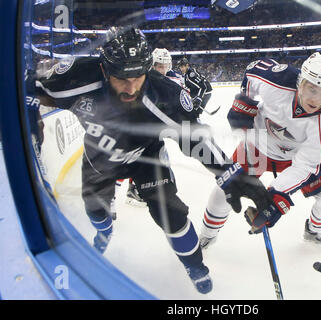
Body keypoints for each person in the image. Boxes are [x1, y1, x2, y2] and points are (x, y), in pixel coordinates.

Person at [34, 27, 273, 294]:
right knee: (96, 210)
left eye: (138, 75)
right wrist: (30, 117)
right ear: (104, 70)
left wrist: (232, 175)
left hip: (146, 158)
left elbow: (195, 140)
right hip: (99, 157)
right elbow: (32, 87)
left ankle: (195, 266)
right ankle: (104, 230)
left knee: (172, 214)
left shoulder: (165, 95)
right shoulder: (77, 77)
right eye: (122, 78)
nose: (131, 87)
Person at [199, 53, 321, 249]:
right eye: (312, 89)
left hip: (293, 160)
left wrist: (276, 194)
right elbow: (253, 70)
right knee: (222, 191)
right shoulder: (278, 80)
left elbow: (307, 165)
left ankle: (313, 231)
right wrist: (244, 101)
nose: (316, 100)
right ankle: (207, 235)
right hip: (256, 146)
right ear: (301, 82)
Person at [122, 48, 185, 208]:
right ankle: (120, 195)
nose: (162, 70)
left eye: (165, 65)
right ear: (151, 65)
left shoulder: (168, 80)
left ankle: (135, 189)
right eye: (158, 66)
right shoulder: (140, 80)